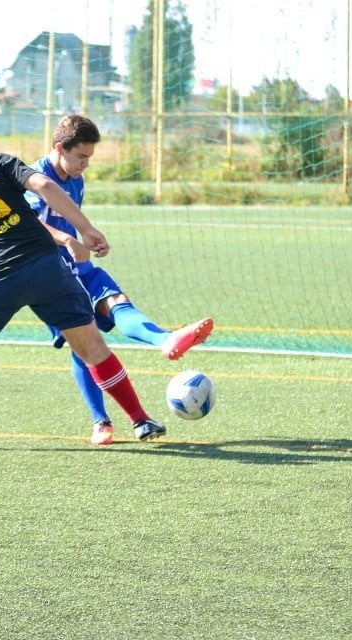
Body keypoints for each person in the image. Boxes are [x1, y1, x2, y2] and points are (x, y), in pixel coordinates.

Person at [0, 115, 167, 448]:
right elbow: (45, 186)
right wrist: (87, 228)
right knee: (92, 347)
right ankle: (141, 420)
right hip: (46, 267)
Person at [25, 114, 213, 446]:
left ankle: (163, 344)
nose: (85, 164)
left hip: (79, 266)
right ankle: (106, 419)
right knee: (84, 344)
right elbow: (28, 224)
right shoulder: (36, 179)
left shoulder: (75, 178)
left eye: (89, 158)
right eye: (81, 156)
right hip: (53, 274)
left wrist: (89, 237)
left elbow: (72, 220)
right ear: (59, 148)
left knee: (112, 307)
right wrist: (67, 240)